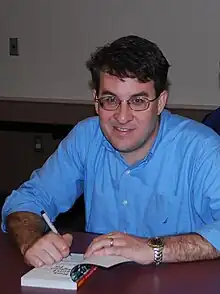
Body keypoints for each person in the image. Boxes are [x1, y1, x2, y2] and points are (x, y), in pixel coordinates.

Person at [2, 35, 220, 268]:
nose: (122, 117)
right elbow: (26, 200)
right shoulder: (86, 138)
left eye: (138, 101)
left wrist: (153, 248)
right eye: (110, 100)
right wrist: (32, 241)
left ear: (160, 102)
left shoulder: (201, 149)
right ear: (96, 101)